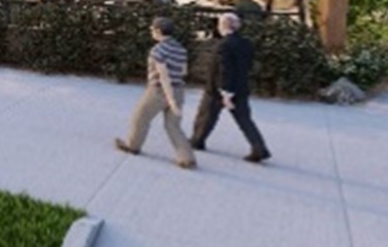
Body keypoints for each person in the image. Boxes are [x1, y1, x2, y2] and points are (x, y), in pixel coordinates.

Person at [114, 17, 197, 170]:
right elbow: (184, 71)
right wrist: (174, 98)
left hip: (159, 91)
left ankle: (133, 146)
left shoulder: (158, 50)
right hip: (179, 89)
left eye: (152, 29)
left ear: (158, 31)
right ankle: (186, 157)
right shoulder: (181, 49)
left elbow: (163, 75)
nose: (151, 32)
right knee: (173, 126)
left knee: (140, 118)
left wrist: (170, 99)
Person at [191, 13, 272, 164]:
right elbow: (246, 66)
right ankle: (259, 148)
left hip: (218, 89)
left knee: (206, 116)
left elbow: (224, 69)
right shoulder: (246, 43)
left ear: (223, 26)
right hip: (241, 87)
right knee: (245, 120)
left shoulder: (224, 45)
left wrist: (225, 91)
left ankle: (197, 140)